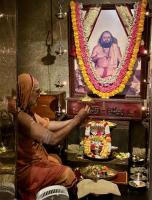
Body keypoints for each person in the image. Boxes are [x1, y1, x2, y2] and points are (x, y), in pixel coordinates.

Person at [16, 73, 90, 200]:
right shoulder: (20, 117)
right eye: (37, 91)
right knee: (67, 174)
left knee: (56, 159)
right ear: (27, 92)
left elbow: (50, 125)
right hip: (25, 169)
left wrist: (75, 120)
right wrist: (76, 120)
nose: (39, 95)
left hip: (36, 160)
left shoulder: (27, 112)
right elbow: (52, 139)